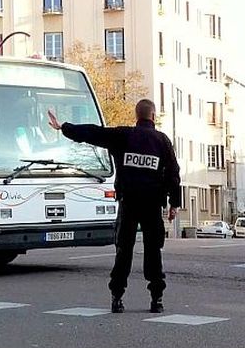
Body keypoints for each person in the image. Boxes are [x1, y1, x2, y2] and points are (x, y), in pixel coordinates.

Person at [48, 99, 180, 313]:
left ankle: (117, 296)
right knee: (153, 252)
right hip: (152, 205)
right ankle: (157, 299)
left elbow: (93, 133)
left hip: (128, 203)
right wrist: (174, 203)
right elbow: (173, 173)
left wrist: (64, 127)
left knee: (124, 250)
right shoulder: (162, 141)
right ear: (153, 117)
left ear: (136, 116)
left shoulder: (123, 135)